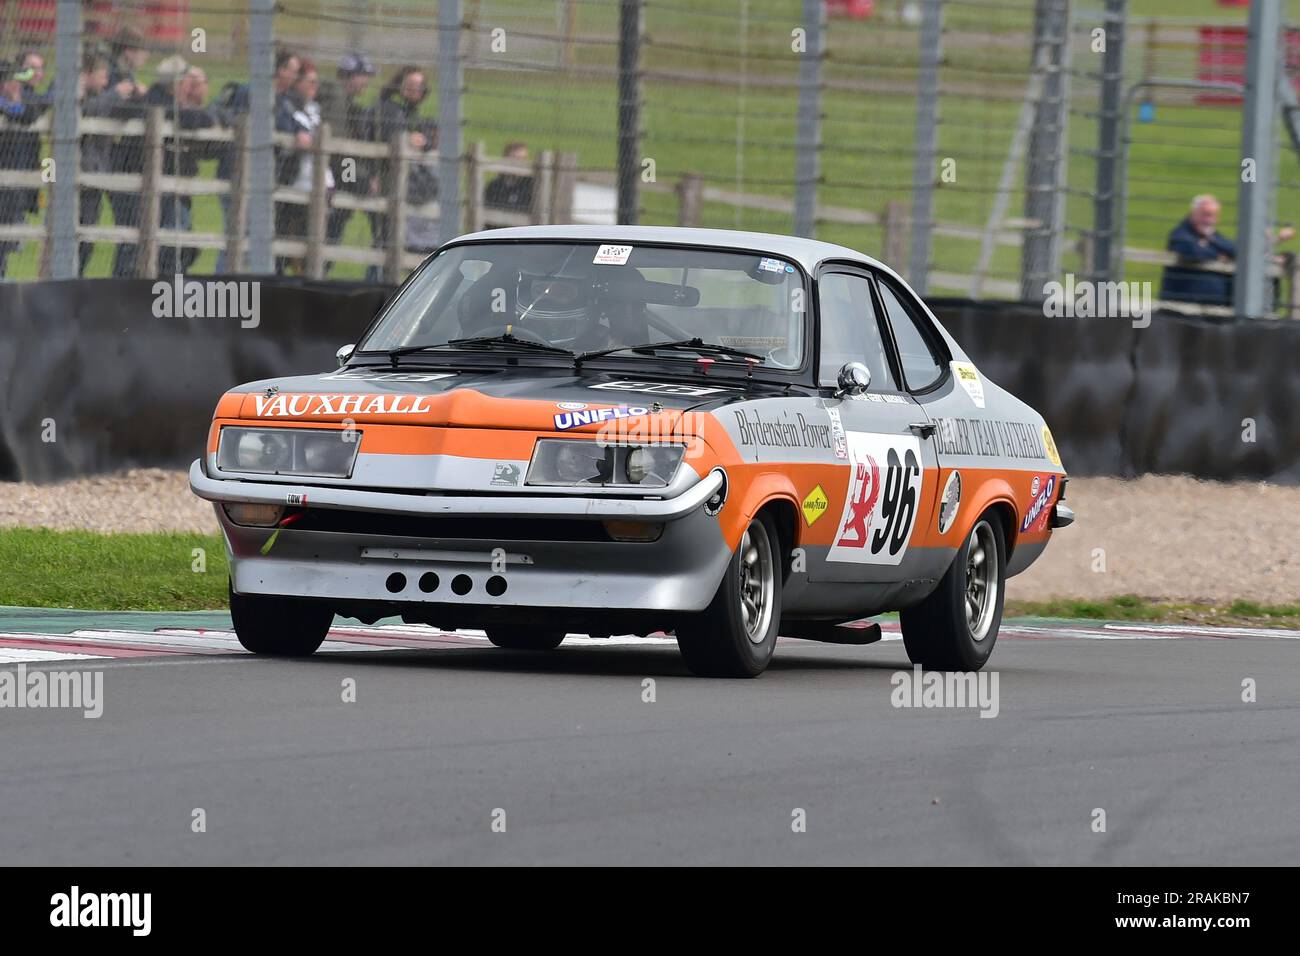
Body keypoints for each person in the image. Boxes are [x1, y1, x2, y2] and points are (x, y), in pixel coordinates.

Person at [1160, 194, 1296, 307]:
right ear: (1193, 214)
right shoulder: (1180, 235)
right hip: (1182, 307)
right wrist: (1218, 255)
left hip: (1215, 309)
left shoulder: (1213, 236)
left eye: (1213, 216)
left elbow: (1236, 250)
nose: (1210, 220)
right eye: (1205, 215)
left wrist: (1210, 243)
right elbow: (1194, 252)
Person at [366, 65, 428, 279]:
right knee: (385, 240)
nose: (415, 90)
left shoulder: (407, 111)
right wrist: (409, 140)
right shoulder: (391, 108)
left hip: (398, 185)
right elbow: (389, 137)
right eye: (410, 85)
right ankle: (378, 284)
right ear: (400, 86)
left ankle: (381, 283)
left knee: (388, 240)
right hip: (384, 182)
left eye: (419, 86)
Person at [157, 65, 220, 276]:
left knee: (183, 240)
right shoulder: (169, 105)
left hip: (181, 186)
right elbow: (197, 120)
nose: (193, 89)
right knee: (176, 237)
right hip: (167, 186)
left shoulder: (198, 110)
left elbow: (212, 146)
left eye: (197, 84)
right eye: (189, 83)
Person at [275, 60, 334, 274]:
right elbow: (293, 131)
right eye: (309, 81)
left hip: (321, 184)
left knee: (318, 245)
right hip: (298, 184)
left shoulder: (316, 109)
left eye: (316, 82)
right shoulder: (287, 105)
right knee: (290, 246)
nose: (314, 87)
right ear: (297, 82)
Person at [318, 52, 377, 263]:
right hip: (332, 186)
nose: (367, 82)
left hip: (333, 183)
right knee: (324, 249)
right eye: (363, 75)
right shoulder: (338, 101)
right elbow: (339, 150)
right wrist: (357, 180)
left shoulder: (346, 102)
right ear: (348, 76)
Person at [0, 60, 41, 279]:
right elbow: (16, 113)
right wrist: (14, 105)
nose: (16, 85)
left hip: (12, 184)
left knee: (6, 242)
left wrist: (16, 102)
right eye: (11, 81)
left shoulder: (18, 102)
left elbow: (30, 115)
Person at [78, 53, 117, 274]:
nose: (105, 81)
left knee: (88, 237)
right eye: (101, 76)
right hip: (77, 174)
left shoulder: (101, 97)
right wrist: (113, 94)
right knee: (71, 234)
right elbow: (83, 112)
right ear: (87, 75)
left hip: (95, 175)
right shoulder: (76, 94)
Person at [405, 121, 440, 254]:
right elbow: (418, 193)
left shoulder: (439, 160)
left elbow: (427, 190)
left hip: (434, 235)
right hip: (412, 233)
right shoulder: (412, 156)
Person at [484, 141, 534, 215]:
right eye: (515, 158)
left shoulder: (531, 187)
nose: (519, 163)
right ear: (505, 159)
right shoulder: (494, 186)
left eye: (523, 159)